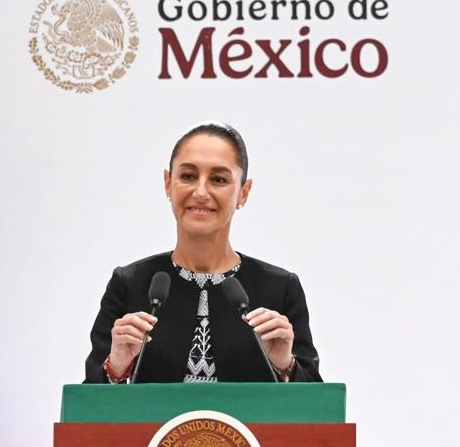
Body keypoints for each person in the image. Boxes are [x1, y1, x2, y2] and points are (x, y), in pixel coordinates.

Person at [84, 122, 322, 384]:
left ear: (243, 193)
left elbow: (317, 403)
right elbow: (87, 402)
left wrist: (285, 365)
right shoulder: (130, 285)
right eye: (188, 176)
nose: (200, 192)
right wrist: (117, 367)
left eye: (218, 179)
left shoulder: (279, 289)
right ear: (168, 183)